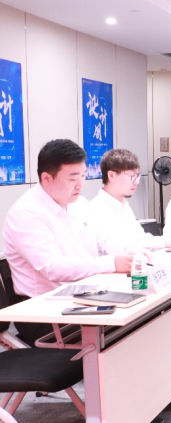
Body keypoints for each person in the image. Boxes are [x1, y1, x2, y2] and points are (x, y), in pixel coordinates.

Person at [2, 139, 137, 346]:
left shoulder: (79, 204)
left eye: (83, 175)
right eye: (73, 178)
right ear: (46, 178)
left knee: (141, 311)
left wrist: (131, 253)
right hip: (43, 311)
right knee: (127, 327)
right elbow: (52, 267)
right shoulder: (26, 213)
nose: (80, 185)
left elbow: (104, 239)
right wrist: (111, 263)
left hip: (83, 295)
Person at [89, 148, 171, 254]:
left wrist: (164, 242)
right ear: (112, 175)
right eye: (132, 176)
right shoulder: (95, 209)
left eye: (137, 175)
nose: (137, 181)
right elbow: (109, 246)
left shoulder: (123, 205)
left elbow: (139, 238)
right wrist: (134, 250)